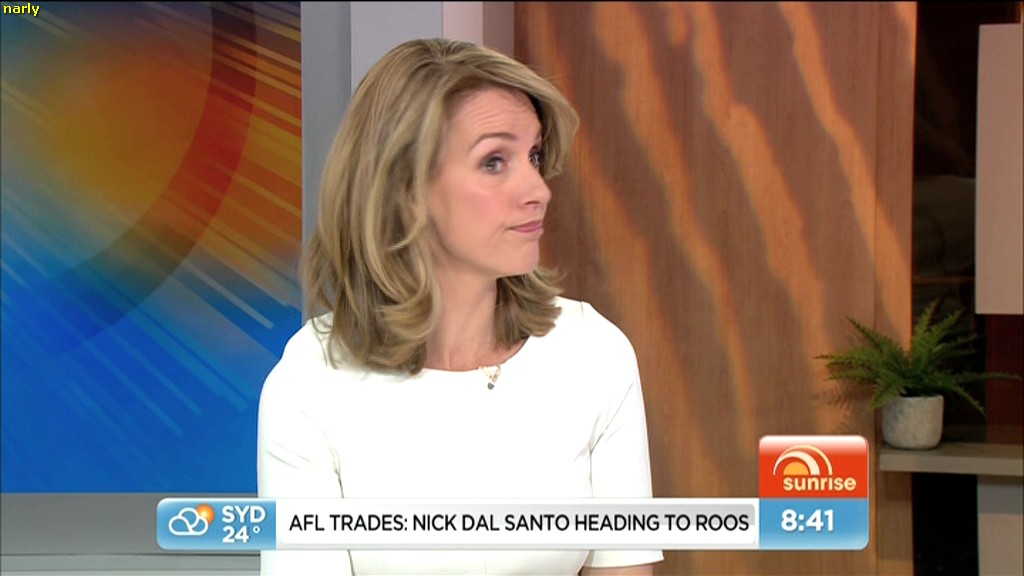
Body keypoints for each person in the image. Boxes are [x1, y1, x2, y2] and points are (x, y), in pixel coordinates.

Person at [258, 37, 663, 576]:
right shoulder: (312, 381)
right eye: (494, 162)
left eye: (534, 157)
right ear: (405, 190)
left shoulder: (593, 353)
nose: (538, 190)